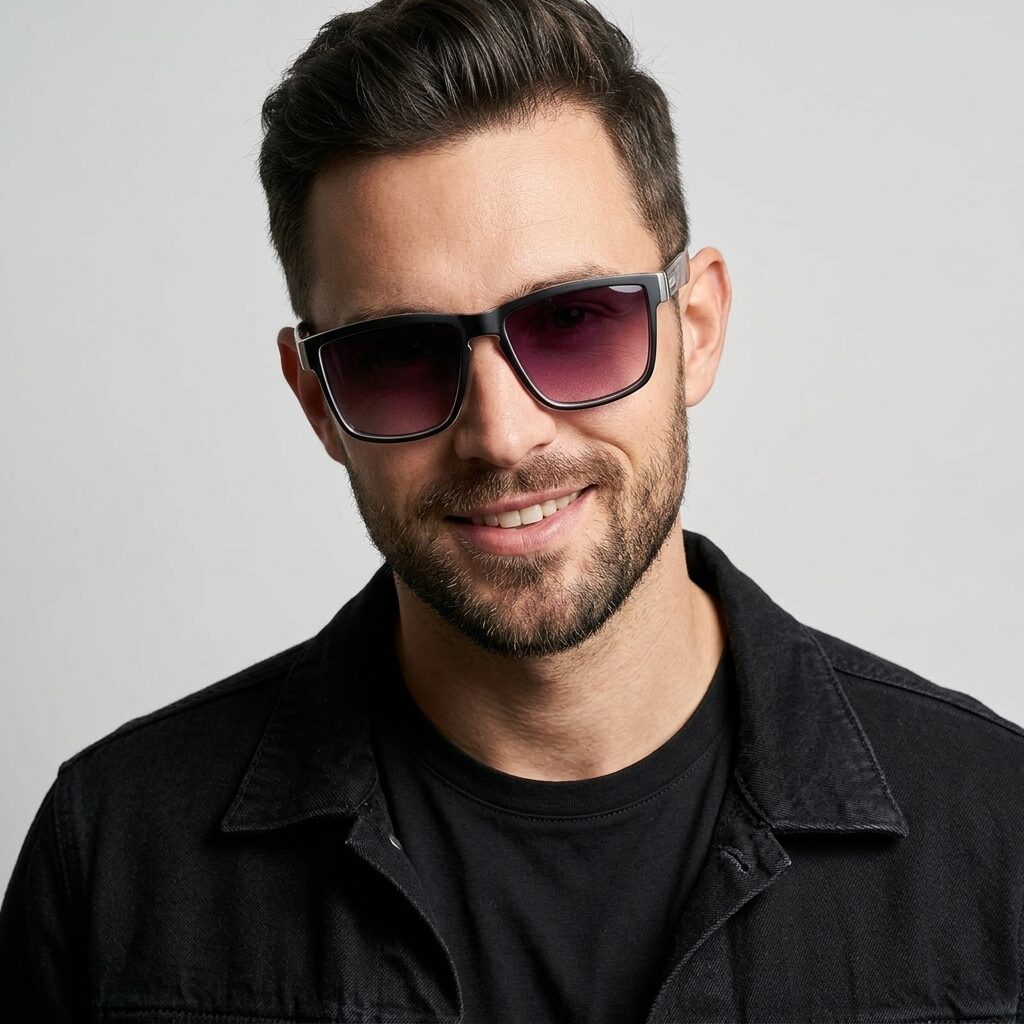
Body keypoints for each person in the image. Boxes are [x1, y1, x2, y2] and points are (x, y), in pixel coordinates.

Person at [2, 0, 1023, 1019]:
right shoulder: (115, 853)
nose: (501, 435)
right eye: (398, 353)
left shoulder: (997, 832)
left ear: (698, 328)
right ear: (317, 400)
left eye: (573, 321)